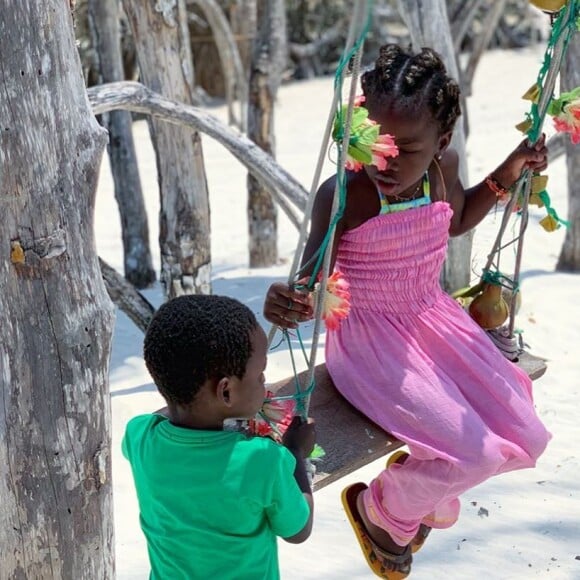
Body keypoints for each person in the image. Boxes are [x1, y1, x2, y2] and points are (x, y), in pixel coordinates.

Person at [263, 44, 551, 577]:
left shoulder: (444, 169)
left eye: (406, 149)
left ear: (442, 142)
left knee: (528, 434)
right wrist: (290, 300)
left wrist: (509, 171)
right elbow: (312, 280)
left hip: (435, 322)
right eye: (376, 143)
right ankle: (384, 507)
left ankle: (419, 484)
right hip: (372, 344)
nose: (384, 162)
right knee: (478, 453)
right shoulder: (345, 193)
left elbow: (457, 219)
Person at [122, 294, 315, 580]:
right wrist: (296, 453)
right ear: (225, 392)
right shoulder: (263, 460)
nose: (264, 382)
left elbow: (168, 413)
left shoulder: (139, 437)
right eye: (260, 374)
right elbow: (298, 530)